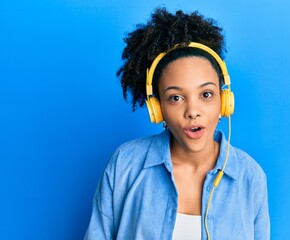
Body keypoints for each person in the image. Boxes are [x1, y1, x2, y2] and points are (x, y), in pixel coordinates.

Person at [84, 7, 270, 240]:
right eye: (176, 98)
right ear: (157, 108)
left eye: (206, 94)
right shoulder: (125, 165)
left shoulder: (250, 176)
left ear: (224, 101)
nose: (193, 111)